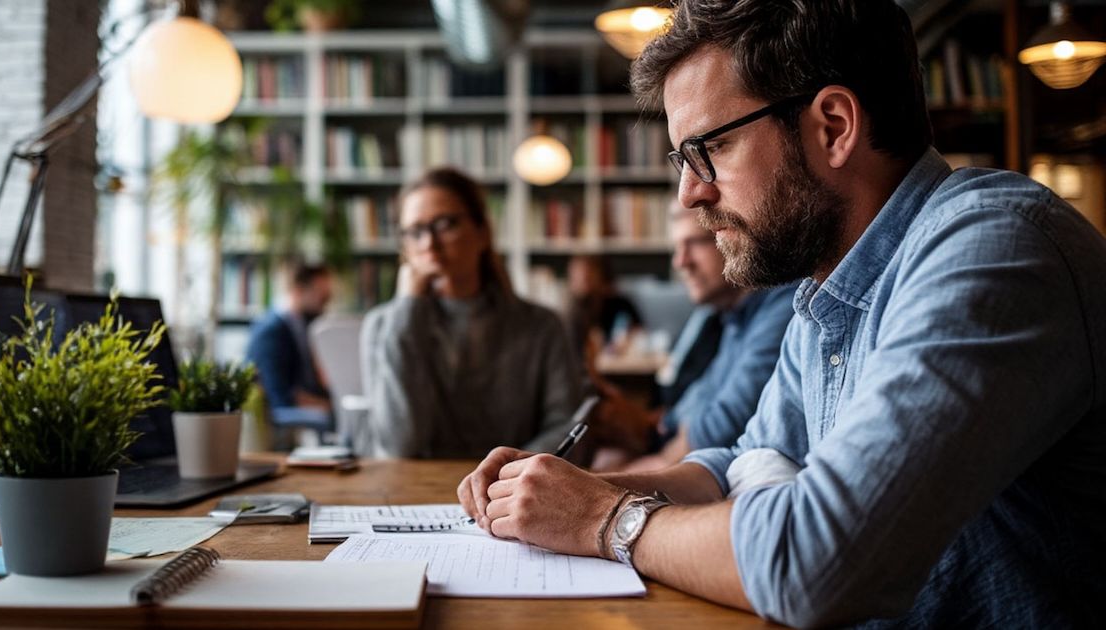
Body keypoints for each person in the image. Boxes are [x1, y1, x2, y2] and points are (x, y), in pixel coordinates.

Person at [456, 1, 1106, 627]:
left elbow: (811, 562)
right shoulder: (827, 289)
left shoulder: (995, 250)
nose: (689, 193)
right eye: (682, 160)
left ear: (833, 127)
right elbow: (734, 465)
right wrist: (565, 492)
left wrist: (603, 520)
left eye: (709, 148)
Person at [360, 167, 584, 458]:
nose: (429, 244)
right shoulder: (382, 327)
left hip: (513, 484)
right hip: (415, 485)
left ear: (482, 232)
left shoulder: (541, 326)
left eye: (445, 224)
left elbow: (566, 427)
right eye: (414, 232)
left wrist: (506, 472)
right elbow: (398, 446)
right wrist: (407, 309)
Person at [594, 202, 794, 472]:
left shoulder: (782, 304)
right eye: (677, 247)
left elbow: (728, 417)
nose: (680, 262)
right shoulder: (734, 316)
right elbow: (705, 394)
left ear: (732, 237)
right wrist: (651, 422)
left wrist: (659, 461)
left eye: (695, 243)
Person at [246, 263, 333, 420]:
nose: (325, 305)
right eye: (322, 298)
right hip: (285, 419)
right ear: (299, 290)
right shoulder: (271, 331)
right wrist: (330, 407)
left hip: (307, 410)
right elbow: (280, 397)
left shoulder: (301, 325)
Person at [564, 254, 644, 359]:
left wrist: (630, 339)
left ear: (601, 276)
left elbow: (640, 333)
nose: (583, 279)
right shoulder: (569, 313)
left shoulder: (621, 304)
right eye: (577, 276)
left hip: (621, 362)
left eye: (588, 275)